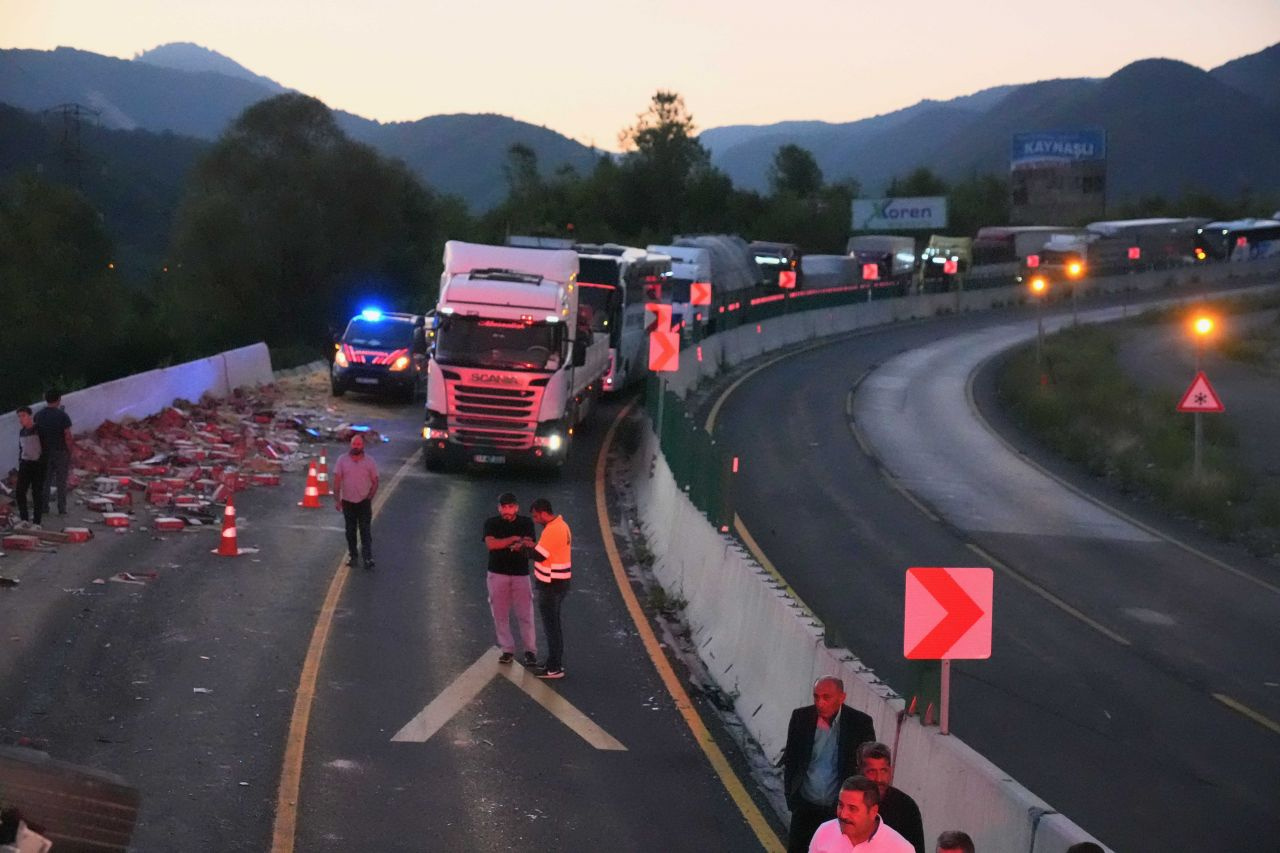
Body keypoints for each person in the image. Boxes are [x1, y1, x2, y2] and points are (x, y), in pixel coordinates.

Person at [783, 676, 876, 853]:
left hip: (838, 813)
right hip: (804, 807)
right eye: (816, 697)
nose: (820, 703)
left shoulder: (860, 724)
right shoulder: (801, 718)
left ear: (842, 698)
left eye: (826, 697)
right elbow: (791, 760)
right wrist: (791, 797)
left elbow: (866, 770)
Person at [482, 492, 537, 666]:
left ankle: (530, 651)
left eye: (510, 507)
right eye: (504, 507)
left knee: (525, 614)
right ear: (499, 508)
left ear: (516, 507)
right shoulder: (491, 523)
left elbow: (530, 544)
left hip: (521, 574)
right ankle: (507, 649)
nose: (507, 510)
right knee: (500, 614)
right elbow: (491, 544)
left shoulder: (526, 522)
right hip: (497, 574)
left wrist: (508, 543)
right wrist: (513, 540)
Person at [809, 776, 913, 852]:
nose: (843, 814)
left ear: (873, 811)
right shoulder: (824, 831)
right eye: (840, 805)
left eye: (852, 808)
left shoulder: (901, 849)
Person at [528, 498, 571, 679]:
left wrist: (523, 548)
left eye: (536, 516)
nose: (536, 520)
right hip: (559, 584)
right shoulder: (562, 525)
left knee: (551, 628)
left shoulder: (553, 530)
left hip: (551, 586)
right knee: (554, 626)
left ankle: (554, 667)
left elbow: (539, 555)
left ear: (544, 512)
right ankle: (553, 663)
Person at [858, 742, 925, 853]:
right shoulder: (846, 803)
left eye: (883, 771)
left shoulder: (907, 807)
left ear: (890, 771)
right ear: (860, 772)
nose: (879, 779)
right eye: (872, 771)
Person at [332, 434, 378, 569]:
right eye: (354, 444)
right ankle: (353, 556)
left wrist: (370, 496)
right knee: (350, 531)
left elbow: (375, 481)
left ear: (363, 446)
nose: (356, 447)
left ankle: (368, 558)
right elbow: (336, 481)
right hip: (348, 501)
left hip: (363, 501)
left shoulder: (370, 462)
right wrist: (337, 500)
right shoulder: (342, 460)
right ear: (350, 445)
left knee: (365, 530)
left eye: (358, 444)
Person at [33, 389, 72, 517]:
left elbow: (34, 435)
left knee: (45, 481)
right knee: (61, 481)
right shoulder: (63, 416)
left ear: (46, 399)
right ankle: (62, 508)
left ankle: (44, 507)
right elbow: (67, 435)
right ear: (59, 399)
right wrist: (69, 450)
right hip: (60, 452)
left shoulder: (38, 416)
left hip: (44, 453)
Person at [14, 407, 44, 528]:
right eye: (19, 416)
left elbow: (46, 448)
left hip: (38, 465)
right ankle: (24, 519)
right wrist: (21, 461)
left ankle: (37, 522)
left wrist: (43, 463)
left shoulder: (39, 430)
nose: (21, 419)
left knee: (37, 493)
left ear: (30, 416)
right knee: (20, 492)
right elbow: (21, 448)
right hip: (25, 465)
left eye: (23, 416)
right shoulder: (22, 432)